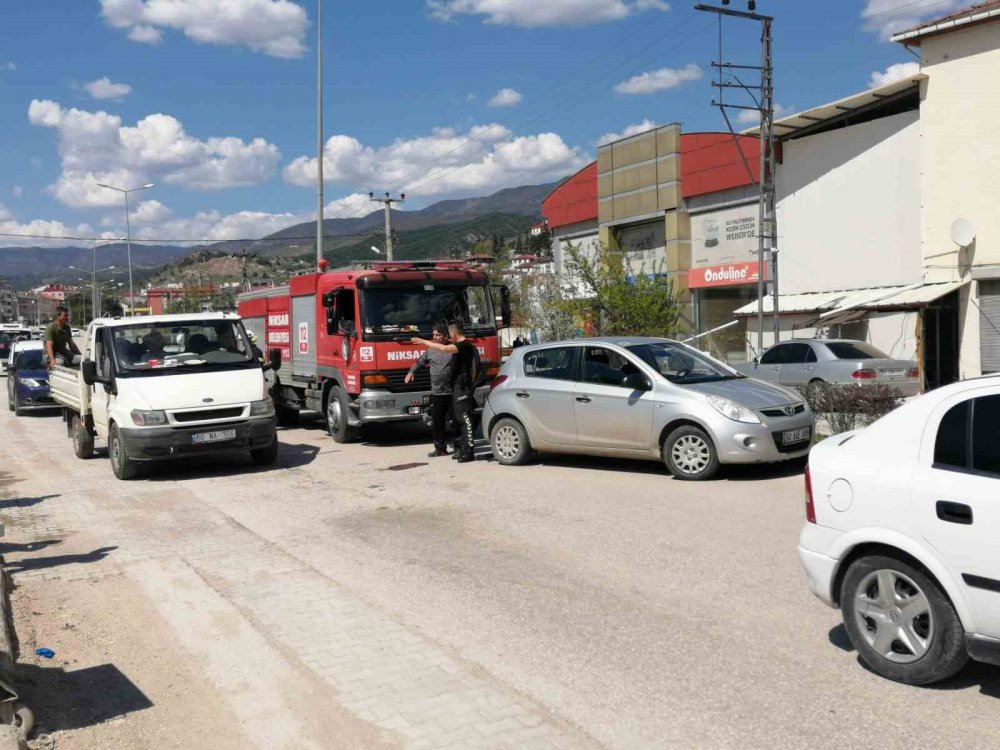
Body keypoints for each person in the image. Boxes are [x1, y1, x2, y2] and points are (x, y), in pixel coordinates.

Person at [411, 321, 480, 463]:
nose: (435, 337)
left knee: (464, 421)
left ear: (452, 333)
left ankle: (467, 452)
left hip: (461, 389)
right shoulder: (458, 346)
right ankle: (459, 450)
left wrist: (423, 341)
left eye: (439, 334)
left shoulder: (464, 345)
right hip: (452, 389)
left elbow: (445, 349)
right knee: (455, 420)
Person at [405, 323, 453, 457]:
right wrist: (411, 372)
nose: (435, 337)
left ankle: (460, 447)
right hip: (437, 393)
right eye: (433, 335)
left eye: (438, 335)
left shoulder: (453, 349)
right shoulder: (430, 350)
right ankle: (440, 448)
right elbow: (419, 362)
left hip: (452, 392)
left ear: (446, 336)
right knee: (437, 422)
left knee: (456, 421)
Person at [44, 305, 82, 370]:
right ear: (58, 316)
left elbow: (72, 344)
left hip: (64, 353)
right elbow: (49, 345)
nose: (67, 318)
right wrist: (52, 360)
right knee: (60, 363)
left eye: (67, 316)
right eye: (65, 315)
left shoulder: (67, 328)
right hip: (52, 355)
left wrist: (81, 355)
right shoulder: (50, 328)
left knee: (85, 359)